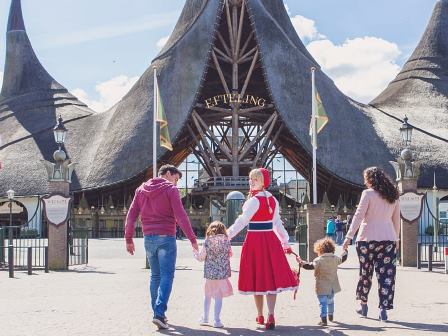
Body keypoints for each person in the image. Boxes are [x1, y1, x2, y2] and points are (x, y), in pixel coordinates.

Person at [125, 164, 199, 330]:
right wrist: (193, 240)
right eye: (176, 179)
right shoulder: (170, 190)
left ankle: (158, 315)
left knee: (155, 276)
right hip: (166, 237)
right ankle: (159, 313)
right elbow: (181, 215)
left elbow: (131, 216)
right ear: (167, 173)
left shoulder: (140, 190)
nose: (176, 183)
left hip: (148, 238)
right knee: (167, 275)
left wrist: (128, 238)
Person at [227, 168, 298, 330]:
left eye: (255, 179)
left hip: (254, 241)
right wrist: (285, 242)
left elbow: (242, 221)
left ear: (263, 182)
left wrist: (227, 234)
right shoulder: (273, 199)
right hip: (271, 242)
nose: (251, 182)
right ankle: (270, 314)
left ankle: (260, 314)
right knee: (270, 279)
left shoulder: (253, 200)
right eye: (251, 179)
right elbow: (277, 224)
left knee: (257, 278)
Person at [342, 167, 400, 322]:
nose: (364, 181)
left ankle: (363, 305)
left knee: (365, 273)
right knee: (387, 276)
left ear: (371, 179)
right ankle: (383, 310)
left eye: (365, 178)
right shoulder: (393, 195)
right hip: (388, 240)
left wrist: (348, 237)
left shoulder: (367, 194)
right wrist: (397, 239)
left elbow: (358, 216)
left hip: (366, 239)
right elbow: (396, 220)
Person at [297, 237, 348, 326]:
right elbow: (343, 258)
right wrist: (345, 251)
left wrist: (301, 263)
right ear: (332, 248)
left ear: (319, 249)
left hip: (321, 286)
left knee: (322, 302)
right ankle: (331, 315)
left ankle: (323, 319)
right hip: (332, 285)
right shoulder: (335, 258)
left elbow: (310, 266)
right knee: (331, 301)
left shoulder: (318, 260)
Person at [194, 221, 233, 328]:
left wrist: (195, 253)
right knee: (218, 297)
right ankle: (217, 321)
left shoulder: (207, 242)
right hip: (222, 275)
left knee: (207, 296)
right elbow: (230, 254)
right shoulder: (227, 241)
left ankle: (205, 318)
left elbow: (201, 258)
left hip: (210, 275)